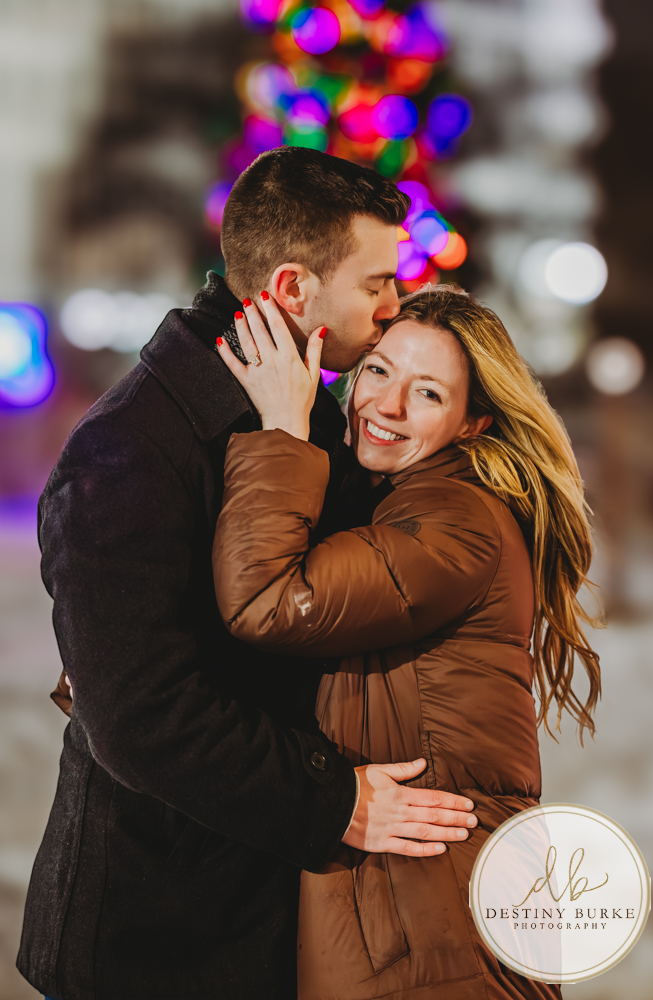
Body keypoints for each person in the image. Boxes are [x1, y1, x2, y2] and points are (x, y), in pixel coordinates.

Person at [17, 149, 478, 1000]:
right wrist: (334, 803)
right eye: (376, 282)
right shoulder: (128, 451)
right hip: (156, 938)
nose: (393, 306)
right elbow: (139, 716)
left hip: (265, 913)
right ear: (294, 291)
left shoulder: (305, 409)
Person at [213, 284, 602, 999]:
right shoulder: (406, 501)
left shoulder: (454, 520)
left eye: (426, 393)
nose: (385, 406)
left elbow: (272, 602)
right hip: (416, 907)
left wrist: (280, 430)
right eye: (379, 371)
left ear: (471, 421)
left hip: (429, 920)